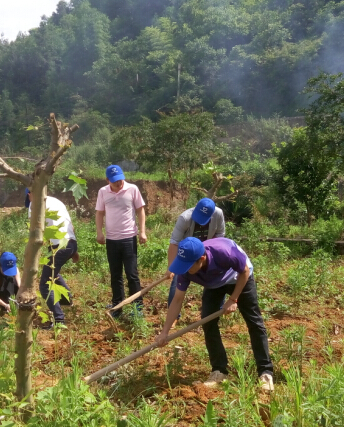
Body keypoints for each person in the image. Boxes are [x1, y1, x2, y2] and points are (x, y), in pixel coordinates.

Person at [156, 237, 274, 391]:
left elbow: (244, 270)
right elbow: (177, 300)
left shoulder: (224, 252)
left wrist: (233, 299)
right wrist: (165, 331)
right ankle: (219, 371)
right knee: (208, 322)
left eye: (189, 266)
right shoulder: (185, 268)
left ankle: (265, 372)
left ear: (202, 259)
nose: (185, 269)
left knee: (254, 322)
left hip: (238, 277)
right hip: (213, 284)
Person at [95, 165, 147, 317]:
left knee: (132, 274)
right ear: (107, 180)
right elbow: (99, 213)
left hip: (129, 238)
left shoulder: (132, 189)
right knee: (115, 274)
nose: (119, 183)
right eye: (115, 181)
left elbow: (140, 210)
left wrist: (142, 231)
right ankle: (117, 306)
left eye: (120, 180)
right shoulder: (103, 192)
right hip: (112, 239)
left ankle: (137, 308)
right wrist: (99, 232)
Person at [167, 198, 225, 311]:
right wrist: (171, 268)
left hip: (206, 253)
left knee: (217, 278)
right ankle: (174, 316)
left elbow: (220, 235)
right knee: (177, 282)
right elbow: (174, 242)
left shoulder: (218, 214)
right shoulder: (185, 218)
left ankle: (217, 311)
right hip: (186, 253)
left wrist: (212, 254)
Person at [37, 195, 79, 329]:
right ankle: (66, 301)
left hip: (58, 246)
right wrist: (73, 250)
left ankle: (59, 320)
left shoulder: (36, 203)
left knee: (44, 284)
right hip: (70, 243)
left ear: (30, 194)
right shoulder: (57, 200)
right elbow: (70, 226)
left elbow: (35, 229)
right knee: (52, 273)